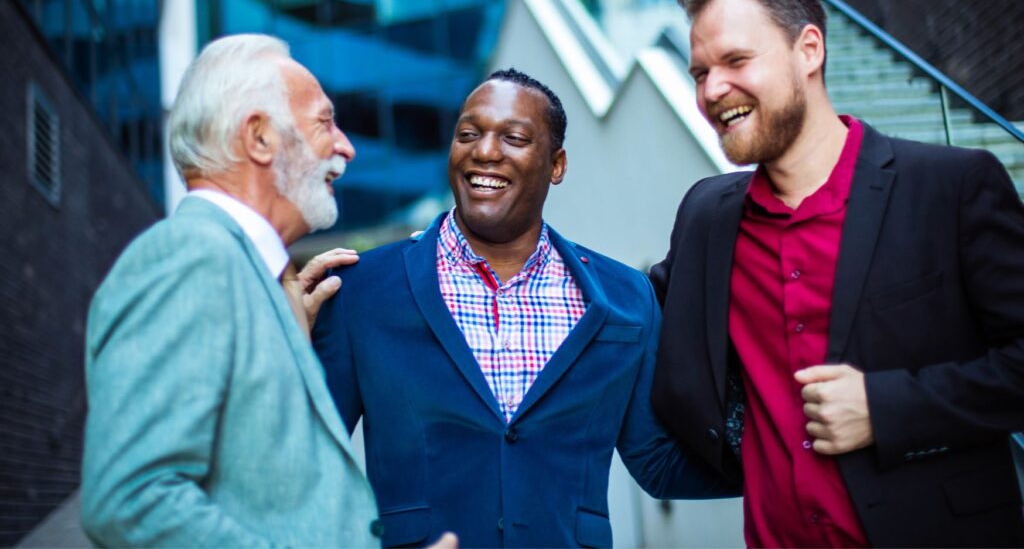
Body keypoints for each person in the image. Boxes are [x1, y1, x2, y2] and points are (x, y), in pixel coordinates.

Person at [649, 0, 1024, 547]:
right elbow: (635, 313)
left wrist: (888, 406)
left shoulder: (951, 188)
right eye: (699, 72)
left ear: (809, 50)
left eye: (735, 61)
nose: (711, 91)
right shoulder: (706, 217)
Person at [312, 69, 733, 548]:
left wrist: (792, 451)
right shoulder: (360, 290)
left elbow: (658, 463)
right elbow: (307, 467)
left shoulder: (626, 297)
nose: (485, 151)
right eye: (468, 134)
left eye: (513, 137)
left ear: (556, 165)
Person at [81, 34, 381, 546]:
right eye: (324, 122)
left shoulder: (244, 275)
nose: (345, 146)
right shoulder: (192, 259)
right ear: (259, 138)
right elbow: (130, 499)